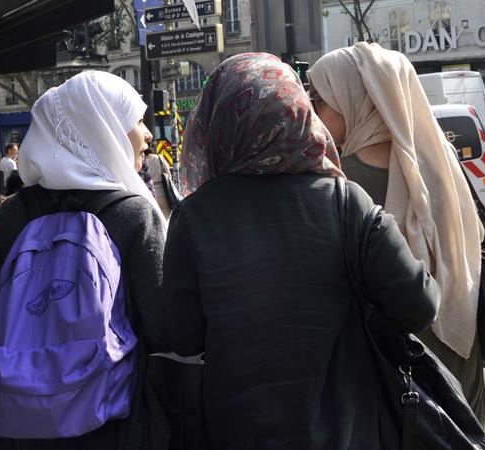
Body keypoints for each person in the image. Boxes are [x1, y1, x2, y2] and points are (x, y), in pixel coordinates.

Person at [164, 52, 440, 449]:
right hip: (348, 431)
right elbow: (420, 305)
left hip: (236, 430)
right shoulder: (347, 203)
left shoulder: (193, 218)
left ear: (219, 124)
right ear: (298, 113)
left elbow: (184, 337)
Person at [0, 71, 169, 449]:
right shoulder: (133, 214)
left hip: (22, 422)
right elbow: (163, 329)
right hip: (115, 420)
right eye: (135, 120)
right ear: (103, 127)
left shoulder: (12, 216)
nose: (147, 133)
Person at [308, 42, 484, 423]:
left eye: (319, 100)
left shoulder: (337, 179)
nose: (312, 112)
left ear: (357, 98)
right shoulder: (440, 158)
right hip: (458, 343)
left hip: (390, 371)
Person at [143, 147, 171, 220]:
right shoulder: (158, 158)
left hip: (149, 192)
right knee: (166, 218)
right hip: (161, 191)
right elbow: (168, 173)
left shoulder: (142, 160)